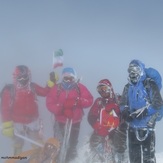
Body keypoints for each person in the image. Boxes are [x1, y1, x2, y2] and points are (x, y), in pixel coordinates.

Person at [1, 65, 58, 155]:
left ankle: (39, 158)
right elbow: (5, 109)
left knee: (38, 143)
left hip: (33, 123)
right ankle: (16, 159)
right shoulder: (9, 90)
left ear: (29, 76)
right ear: (16, 77)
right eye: (20, 77)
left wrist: (52, 82)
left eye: (25, 77)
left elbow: (45, 92)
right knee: (17, 144)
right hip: (17, 124)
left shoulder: (32, 87)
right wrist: (7, 125)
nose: (23, 79)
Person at [46, 67, 93, 162]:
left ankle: (70, 160)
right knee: (58, 143)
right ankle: (57, 160)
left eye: (70, 78)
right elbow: (49, 103)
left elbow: (89, 100)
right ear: (62, 78)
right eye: (65, 78)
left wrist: (79, 101)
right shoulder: (57, 88)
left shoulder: (80, 88)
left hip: (75, 121)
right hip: (60, 121)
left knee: (72, 143)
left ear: (74, 78)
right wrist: (61, 109)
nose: (68, 81)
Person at [120, 59, 163, 163]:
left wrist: (145, 112)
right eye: (130, 70)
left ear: (141, 70)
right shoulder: (127, 87)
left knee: (149, 159)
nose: (132, 72)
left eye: (135, 69)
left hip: (147, 127)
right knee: (134, 159)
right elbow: (123, 104)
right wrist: (125, 112)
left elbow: (158, 103)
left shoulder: (149, 84)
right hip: (132, 128)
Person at [87, 79, 120, 163]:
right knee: (94, 141)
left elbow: (124, 114)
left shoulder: (117, 99)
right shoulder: (99, 101)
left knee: (116, 145)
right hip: (101, 129)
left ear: (110, 88)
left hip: (115, 130)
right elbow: (91, 116)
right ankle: (99, 158)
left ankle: (115, 159)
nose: (102, 91)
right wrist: (97, 125)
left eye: (104, 88)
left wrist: (117, 112)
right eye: (99, 90)